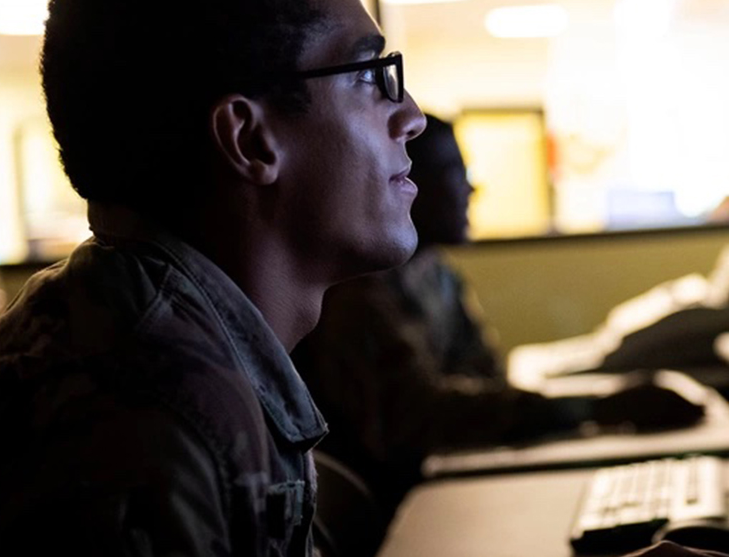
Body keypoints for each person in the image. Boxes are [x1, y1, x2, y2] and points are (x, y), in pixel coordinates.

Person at [0, 0, 726, 557]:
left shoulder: (166, 336)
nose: (410, 116)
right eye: (365, 74)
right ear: (252, 139)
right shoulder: (144, 417)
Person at [293, 114, 705, 515]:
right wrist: (596, 407)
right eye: (453, 172)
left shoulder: (436, 274)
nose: (473, 188)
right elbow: (419, 416)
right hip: (399, 517)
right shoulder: (357, 292)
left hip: (443, 493)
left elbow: (486, 378)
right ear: (404, 183)